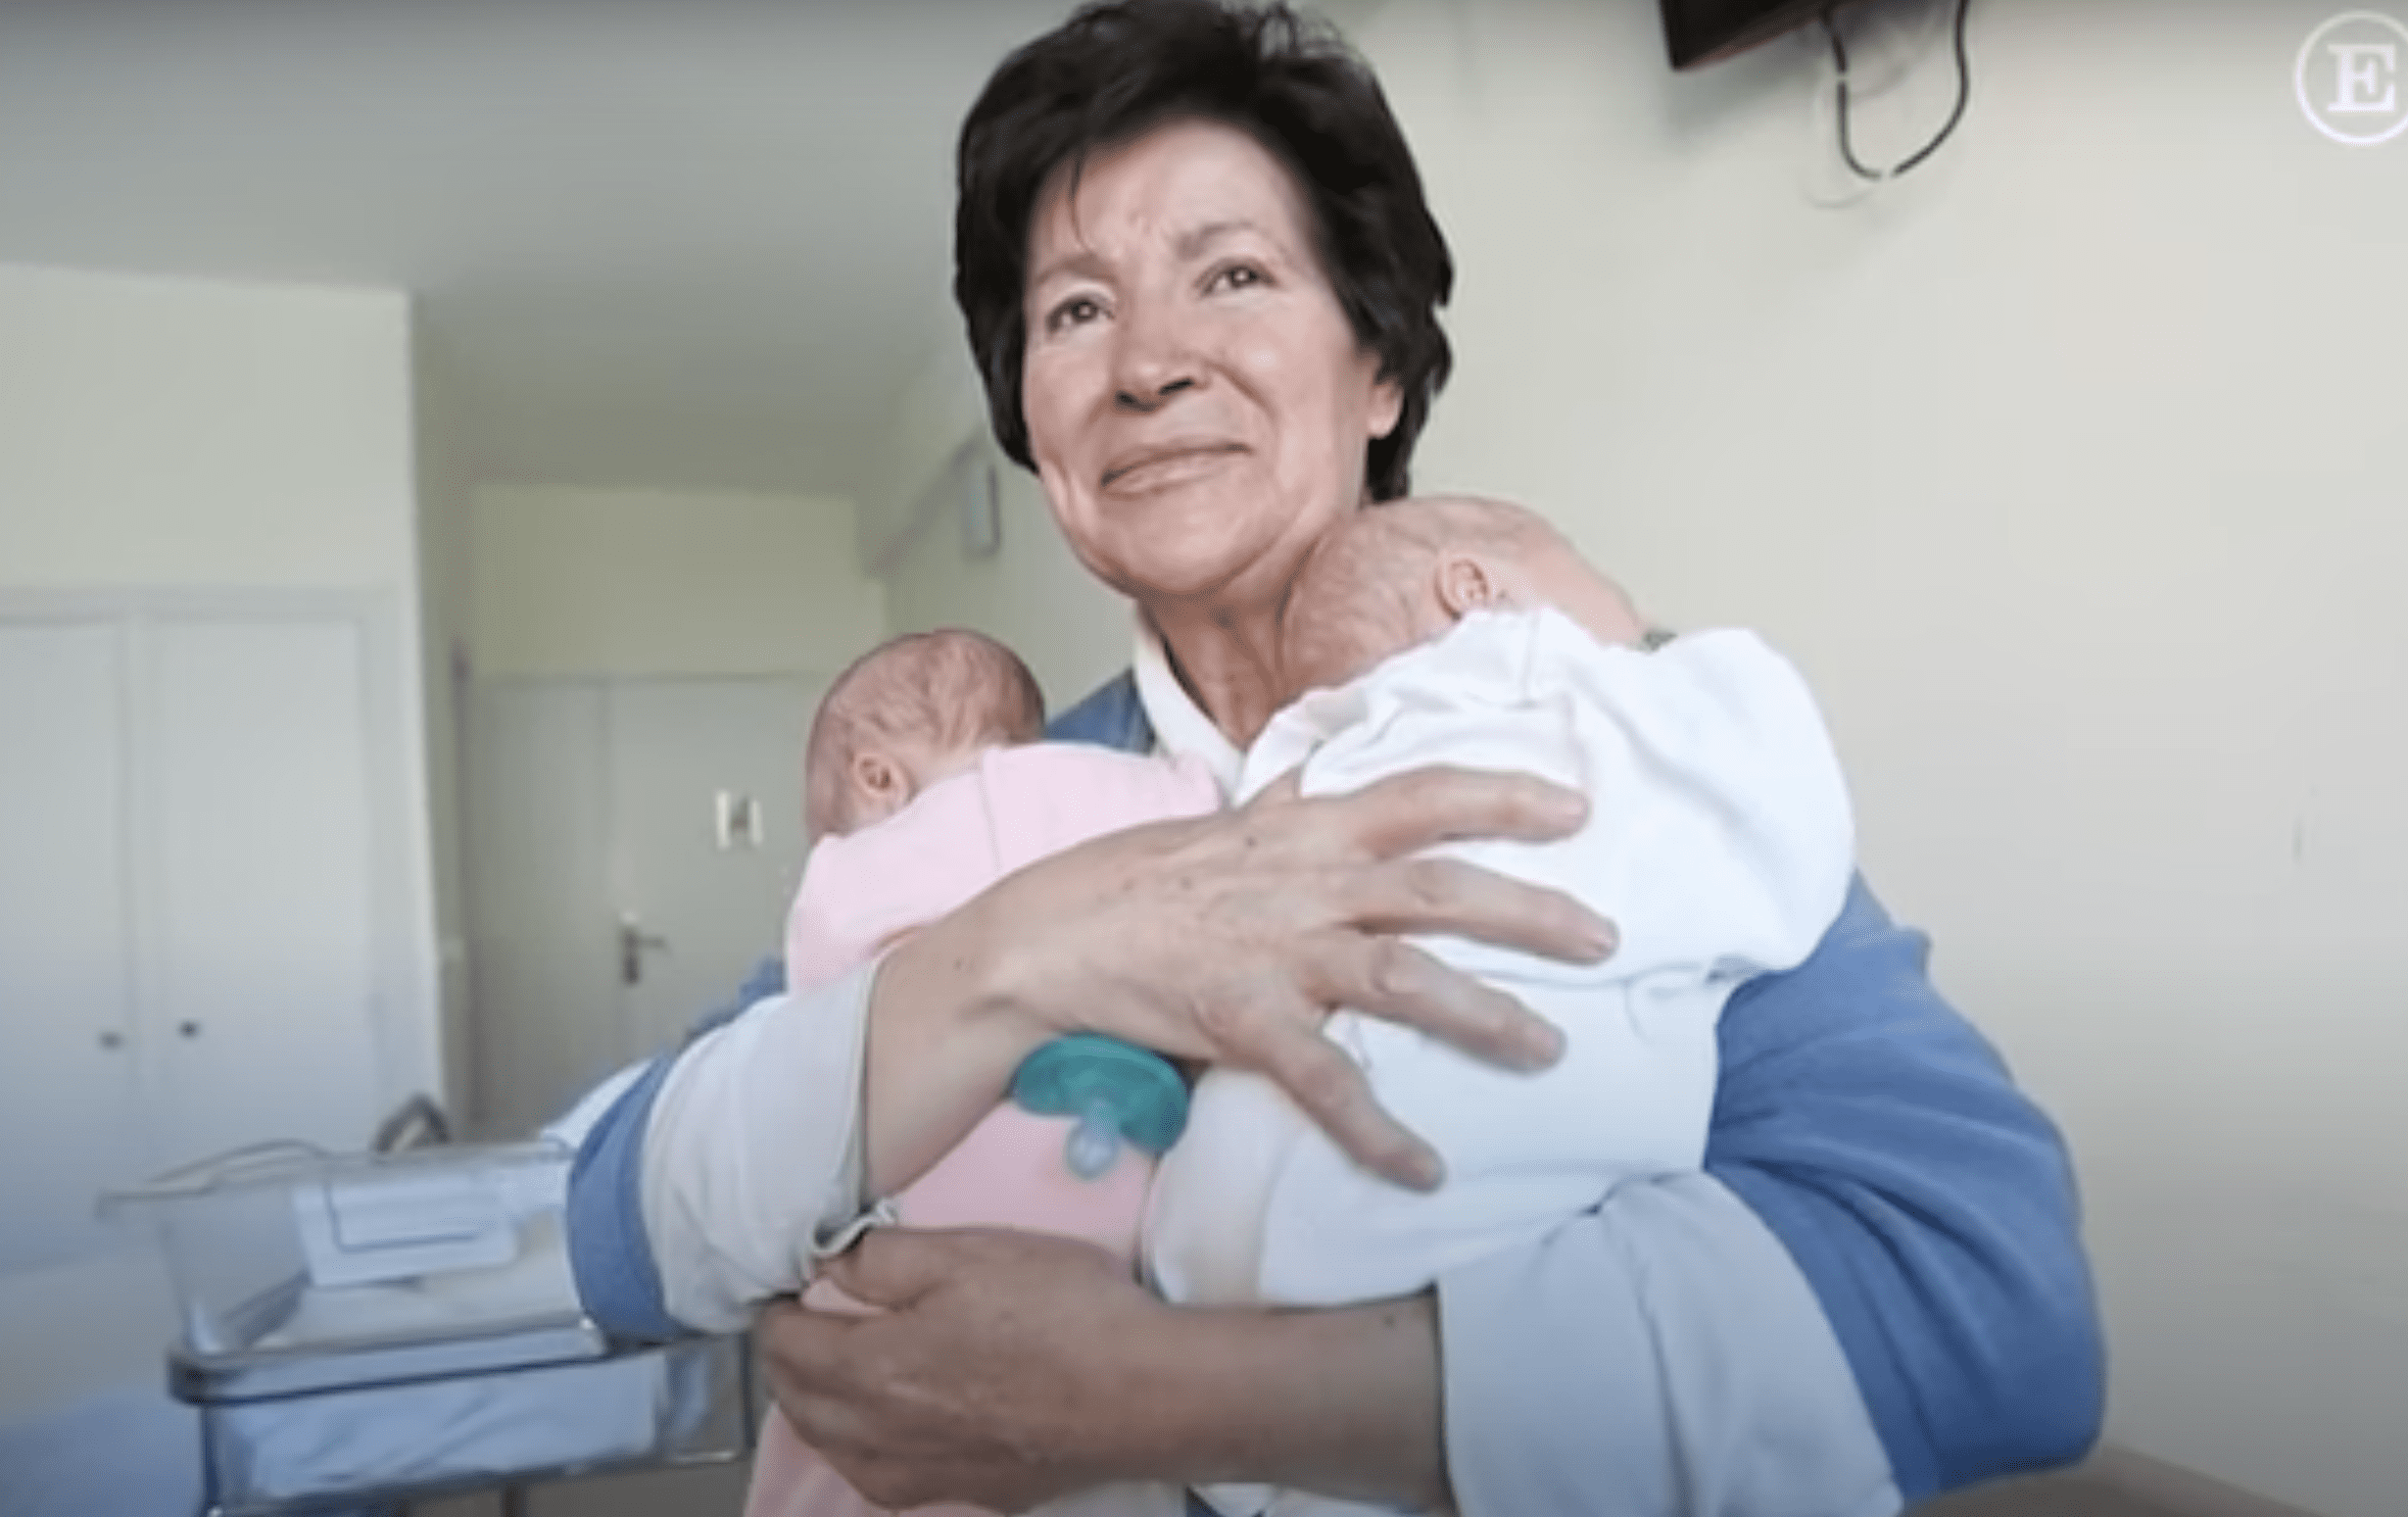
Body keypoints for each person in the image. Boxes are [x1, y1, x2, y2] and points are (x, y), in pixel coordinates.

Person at [565, 3, 2103, 1513]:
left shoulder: (1605, 740)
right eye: (1075, 311)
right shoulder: (996, 803)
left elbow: (1984, 1306)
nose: (1146, 364)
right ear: (1032, 419)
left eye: (1230, 275)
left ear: (1377, 369)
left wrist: (1147, 1396)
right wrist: (1023, 950)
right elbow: (615, 1224)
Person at [1148, 492, 1854, 1517]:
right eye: (1614, 599)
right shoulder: (1584, 701)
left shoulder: (1303, 778)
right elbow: (1782, 838)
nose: (1632, 628)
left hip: (1206, 1268)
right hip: (1458, 1251)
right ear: (1475, 591)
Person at [754, 626, 1215, 1517]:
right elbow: (1205, 821)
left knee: (839, 1432)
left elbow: (811, 1027)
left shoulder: (855, 871)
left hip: (910, 1245)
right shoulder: (1104, 787)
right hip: (1099, 1257)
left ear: (877, 779)